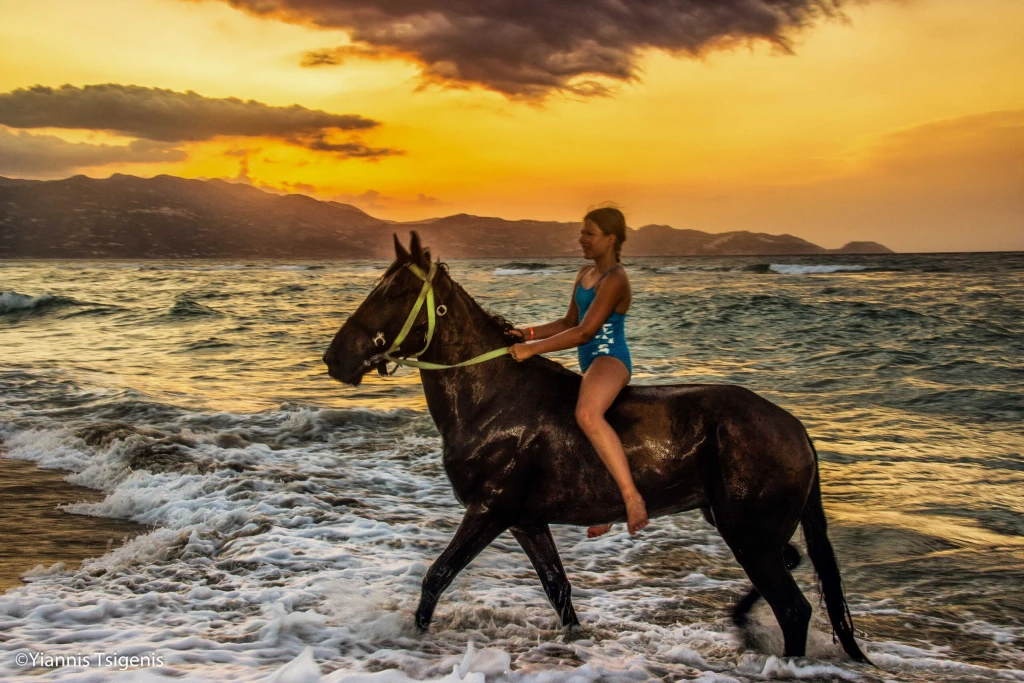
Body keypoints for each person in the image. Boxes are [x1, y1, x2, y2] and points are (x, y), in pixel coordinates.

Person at [508, 207, 648, 536]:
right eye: (582, 232)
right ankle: (605, 501)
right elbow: (568, 322)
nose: (581, 239)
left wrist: (532, 351)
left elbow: (585, 332)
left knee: (587, 415)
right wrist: (525, 333)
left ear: (610, 239)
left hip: (610, 359)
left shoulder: (616, 278)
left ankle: (631, 499)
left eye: (589, 233)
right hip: (590, 362)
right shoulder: (585, 273)